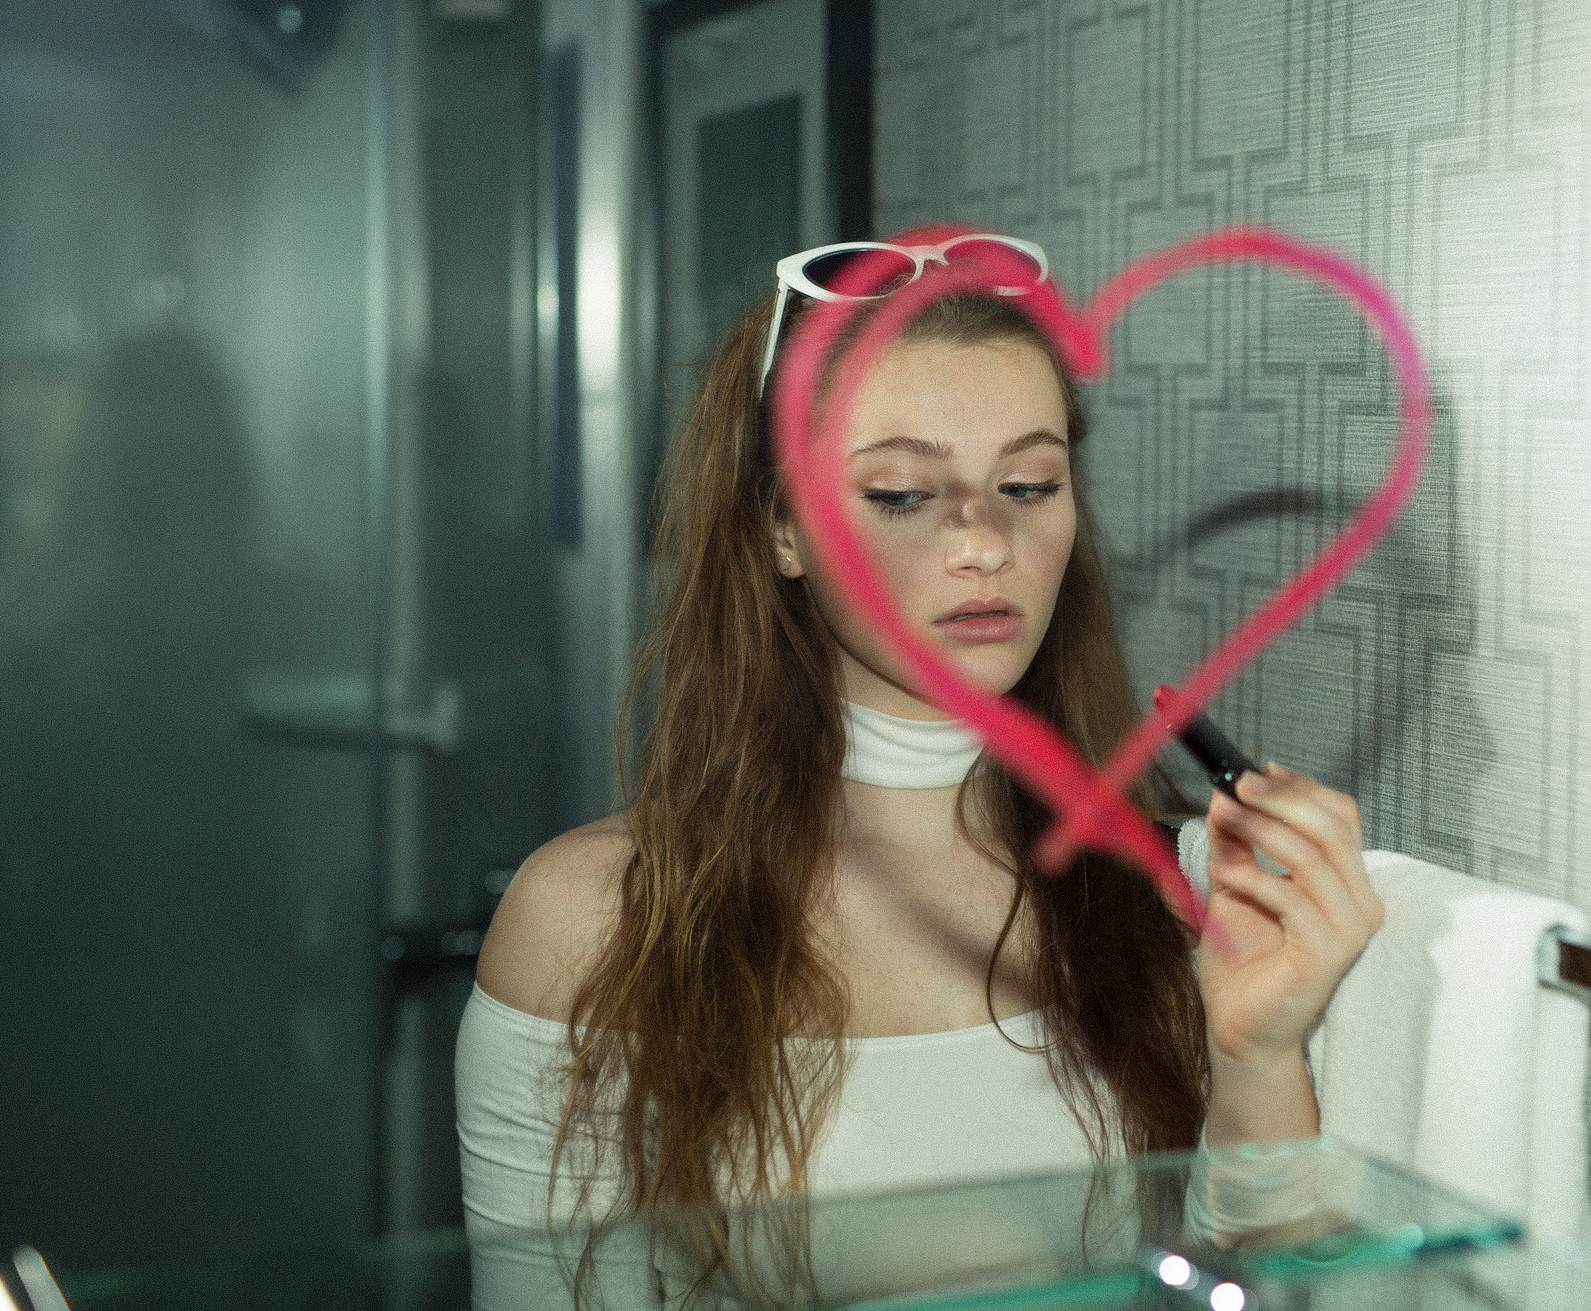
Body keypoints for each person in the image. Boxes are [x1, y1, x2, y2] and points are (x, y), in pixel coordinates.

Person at [455, 229, 1385, 1306]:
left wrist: (1258, 1055)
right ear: (781, 529)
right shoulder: (597, 918)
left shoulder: (1163, 896)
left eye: (1028, 484)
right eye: (901, 494)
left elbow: (1272, 1295)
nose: (983, 541)